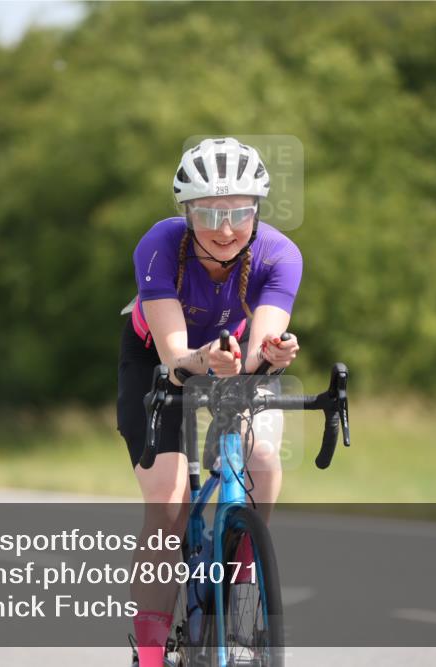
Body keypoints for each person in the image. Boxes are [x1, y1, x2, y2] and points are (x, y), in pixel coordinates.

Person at [117, 137, 303, 666]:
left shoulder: (280, 254)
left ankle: (241, 561)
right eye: (208, 214)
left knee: (263, 460)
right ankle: (151, 654)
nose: (225, 229)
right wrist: (206, 360)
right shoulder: (159, 245)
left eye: (239, 213)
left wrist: (270, 355)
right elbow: (177, 357)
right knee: (170, 503)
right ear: (186, 213)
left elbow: (258, 349)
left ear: (257, 210)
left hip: (232, 357)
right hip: (157, 359)